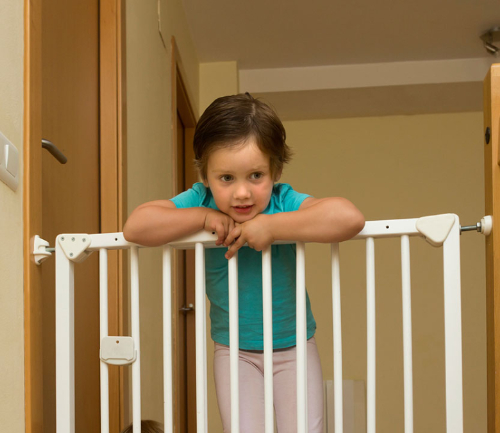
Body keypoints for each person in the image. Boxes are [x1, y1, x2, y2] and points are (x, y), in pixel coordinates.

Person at [123, 93, 365, 432]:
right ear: (205, 175)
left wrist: (272, 226)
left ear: (276, 171)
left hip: (295, 345)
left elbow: (349, 218)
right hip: (234, 350)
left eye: (255, 175)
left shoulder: (282, 201)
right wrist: (202, 217)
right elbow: (136, 226)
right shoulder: (201, 201)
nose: (242, 193)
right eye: (226, 178)